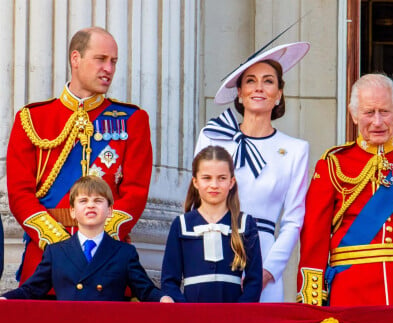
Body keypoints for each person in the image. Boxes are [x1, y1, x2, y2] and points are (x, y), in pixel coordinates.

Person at [7, 27, 153, 287]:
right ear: (76, 58)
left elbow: (136, 193)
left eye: (113, 61)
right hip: (46, 262)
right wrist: (61, 246)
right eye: (101, 59)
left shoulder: (132, 120)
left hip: (107, 260)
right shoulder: (32, 119)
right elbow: (20, 195)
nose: (109, 68)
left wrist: (97, 239)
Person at [297, 73, 393, 306]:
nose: (377, 122)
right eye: (369, 112)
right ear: (354, 115)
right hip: (349, 295)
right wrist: (312, 302)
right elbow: (313, 238)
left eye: (385, 112)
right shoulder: (333, 163)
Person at [195, 42, 310, 302]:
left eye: (268, 81)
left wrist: (267, 271)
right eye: (250, 81)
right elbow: (195, 203)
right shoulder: (213, 137)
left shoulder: (295, 150)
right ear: (239, 92)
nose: (259, 87)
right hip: (212, 248)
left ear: (279, 93)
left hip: (264, 252)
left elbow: (293, 220)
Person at [1, 176, 171, 302]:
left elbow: (145, 290)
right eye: (83, 200)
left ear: (110, 210)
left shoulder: (124, 253)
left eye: (98, 200)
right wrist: (6, 299)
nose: (91, 205)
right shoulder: (56, 252)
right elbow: (31, 290)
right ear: (73, 211)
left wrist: (163, 298)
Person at [161, 146, 262, 302]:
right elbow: (169, 281)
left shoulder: (245, 224)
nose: (214, 185)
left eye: (222, 178)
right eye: (206, 178)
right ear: (195, 181)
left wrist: (239, 313)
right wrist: (185, 311)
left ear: (231, 182)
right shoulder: (181, 225)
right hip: (192, 318)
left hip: (234, 319)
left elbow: (254, 281)